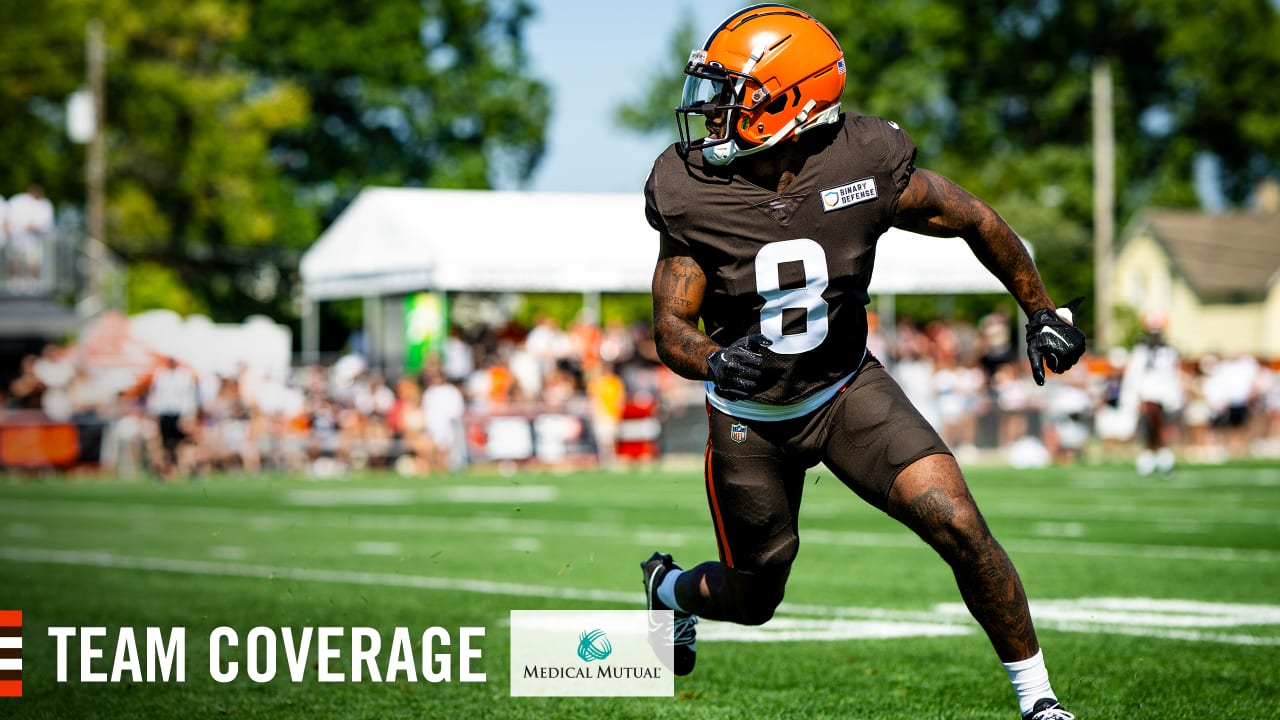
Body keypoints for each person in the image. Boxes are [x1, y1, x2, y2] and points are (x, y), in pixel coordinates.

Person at [638, 7, 1085, 720]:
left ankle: (1040, 702)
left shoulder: (863, 157)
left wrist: (1042, 310)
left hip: (847, 392)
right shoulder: (689, 187)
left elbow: (973, 216)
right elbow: (668, 324)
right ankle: (665, 588)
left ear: (791, 100)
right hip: (753, 417)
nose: (712, 111)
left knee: (961, 525)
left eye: (734, 95)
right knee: (756, 598)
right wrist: (715, 360)